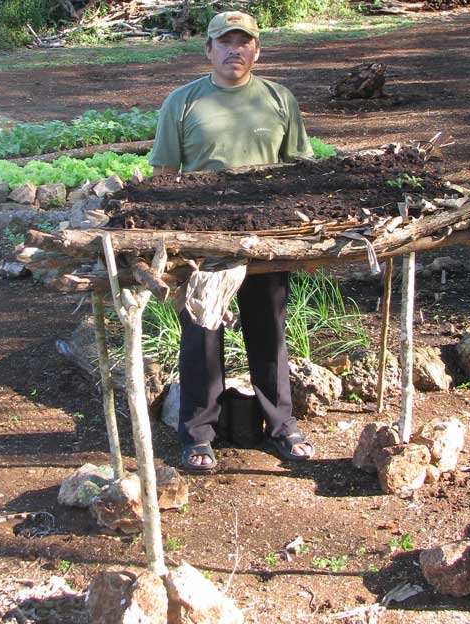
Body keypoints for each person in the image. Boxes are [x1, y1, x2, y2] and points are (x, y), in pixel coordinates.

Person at [150, 10, 316, 471]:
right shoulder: (182, 102)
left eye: (244, 42)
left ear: (256, 50)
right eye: (225, 42)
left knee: (270, 330)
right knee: (202, 335)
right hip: (204, 239)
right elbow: (163, 178)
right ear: (208, 50)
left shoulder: (279, 100)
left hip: (266, 236)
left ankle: (281, 425)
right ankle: (198, 435)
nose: (234, 50)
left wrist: (299, 235)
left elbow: (299, 172)